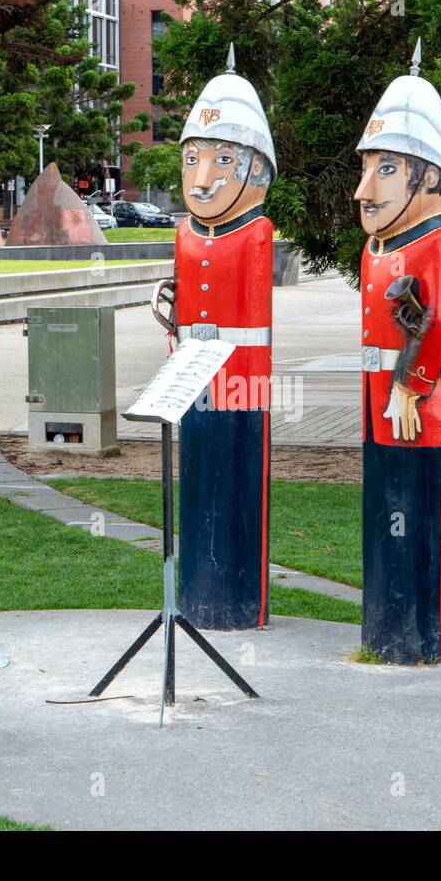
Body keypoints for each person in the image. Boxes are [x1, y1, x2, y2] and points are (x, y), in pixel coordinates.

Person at [353, 41, 441, 665]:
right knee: (384, 517)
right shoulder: (375, 247)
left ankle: (432, 632)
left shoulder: (437, 240)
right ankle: (386, 629)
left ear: (427, 176)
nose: (364, 190)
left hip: (419, 406)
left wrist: (409, 386)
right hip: (378, 405)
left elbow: (440, 319)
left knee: (423, 521)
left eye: (386, 169)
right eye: (367, 168)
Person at [172, 46, 276, 630]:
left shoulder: (255, 232)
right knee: (198, 484)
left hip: (241, 387)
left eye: (221, 160)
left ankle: (236, 599)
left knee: (235, 484)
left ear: (255, 170)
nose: (203, 178)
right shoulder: (186, 236)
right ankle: (198, 593)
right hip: (192, 380)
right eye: (192, 159)